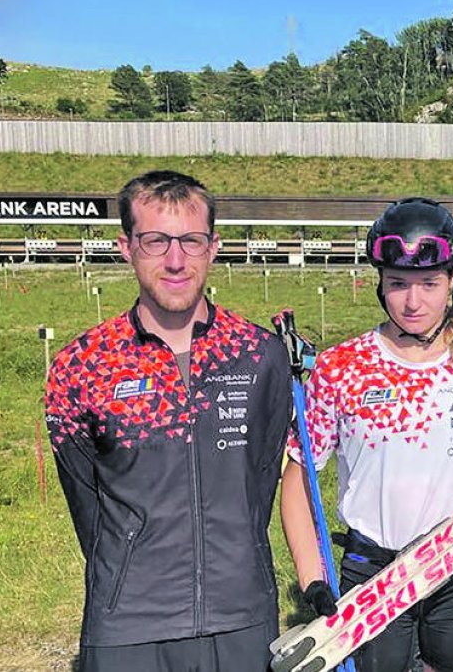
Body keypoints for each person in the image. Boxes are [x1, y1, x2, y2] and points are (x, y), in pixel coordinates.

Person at [45, 170, 294, 671]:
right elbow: (87, 506)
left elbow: (262, 483)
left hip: (241, 617)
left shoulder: (259, 355)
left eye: (191, 241)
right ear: (126, 246)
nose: (176, 260)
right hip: (127, 625)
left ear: (213, 247)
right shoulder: (81, 365)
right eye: (156, 241)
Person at [280, 198, 453, 672]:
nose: (413, 302)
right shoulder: (341, 367)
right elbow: (297, 481)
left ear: (452, 282)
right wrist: (312, 579)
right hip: (373, 573)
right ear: (380, 285)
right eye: (397, 285)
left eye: (429, 284)